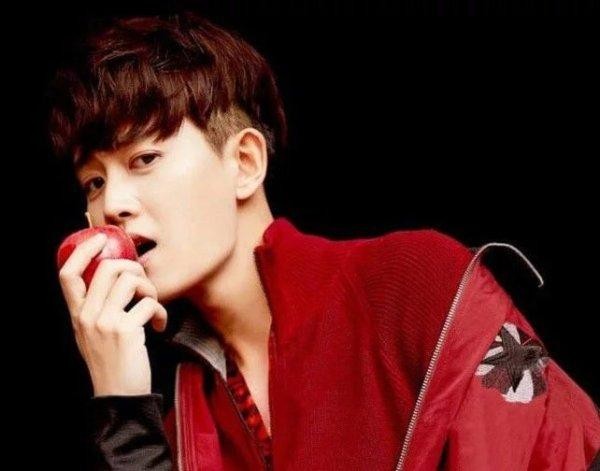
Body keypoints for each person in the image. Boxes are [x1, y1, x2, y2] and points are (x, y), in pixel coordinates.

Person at [47, 11, 600, 471]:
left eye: (144, 158)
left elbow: (557, 450)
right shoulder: (183, 417)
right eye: (93, 182)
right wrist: (123, 409)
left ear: (244, 162)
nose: (111, 205)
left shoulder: (413, 282)